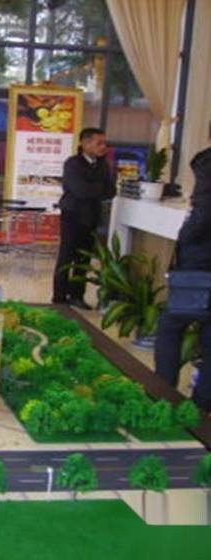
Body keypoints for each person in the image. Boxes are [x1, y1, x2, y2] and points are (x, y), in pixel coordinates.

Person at [155, 123, 211, 414]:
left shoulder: (208, 164)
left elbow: (203, 214)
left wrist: (185, 238)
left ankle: (164, 395)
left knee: (171, 326)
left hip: (201, 264)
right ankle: (202, 406)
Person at [52, 127, 116, 309]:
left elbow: (111, 191)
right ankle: (59, 297)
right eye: (99, 143)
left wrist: (95, 188)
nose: (103, 147)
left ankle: (77, 296)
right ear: (85, 143)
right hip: (72, 216)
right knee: (66, 257)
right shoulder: (73, 163)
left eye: (104, 143)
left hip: (92, 217)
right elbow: (80, 190)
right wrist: (98, 188)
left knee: (83, 259)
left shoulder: (103, 165)